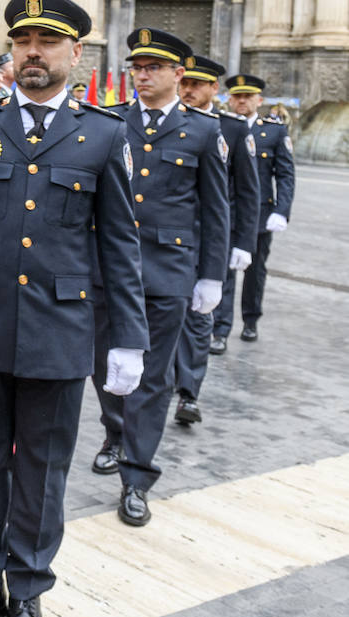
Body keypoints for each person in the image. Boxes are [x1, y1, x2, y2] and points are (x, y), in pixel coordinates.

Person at [0, 0, 147, 617]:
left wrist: (128, 339)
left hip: (60, 333)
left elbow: (118, 245)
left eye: (47, 42)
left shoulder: (104, 134)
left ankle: (28, 593)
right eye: (22, 40)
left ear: (75, 54)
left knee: (44, 474)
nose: (32, 52)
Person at [90, 29, 228, 528]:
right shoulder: (108, 123)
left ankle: (136, 476)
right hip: (108, 270)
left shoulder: (204, 132)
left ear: (178, 75)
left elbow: (216, 211)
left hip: (168, 273)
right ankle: (115, 433)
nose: (142, 75)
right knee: (104, 365)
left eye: (153, 68)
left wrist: (211, 276)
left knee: (153, 378)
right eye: (137, 67)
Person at [172, 56, 258, 424]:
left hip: (206, 240)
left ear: (213, 89)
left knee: (196, 318)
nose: (188, 90)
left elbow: (247, 191)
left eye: (197, 85)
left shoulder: (233, 130)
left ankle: (189, 394)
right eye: (184, 83)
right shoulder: (163, 121)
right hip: (164, 240)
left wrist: (244, 243)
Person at [220, 74, 294, 343]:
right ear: (229, 98)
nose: (241, 101)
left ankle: (251, 319)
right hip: (226, 211)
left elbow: (285, 174)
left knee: (255, 271)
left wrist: (282, 210)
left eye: (247, 97)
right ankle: (220, 329)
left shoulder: (273, 131)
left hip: (261, 214)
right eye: (237, 96)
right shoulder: (220, 127)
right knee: (222, 270)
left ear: (259, 100)